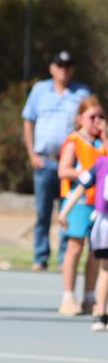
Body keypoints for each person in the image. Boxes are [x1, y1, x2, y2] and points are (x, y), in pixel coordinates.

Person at [22, 50, 91, 271]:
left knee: (67, 210)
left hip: (70, 165)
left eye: (68, 66)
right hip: (44, 160)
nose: (64, 70)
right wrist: (32, 153)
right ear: (52, 68)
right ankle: (40, 256)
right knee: (43, 212)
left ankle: (65, 258)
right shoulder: (40, 90)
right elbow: (28, 121)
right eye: (60, 65)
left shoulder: (81, 93)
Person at [56, 97, 105, 315]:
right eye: (92, 117)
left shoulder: (101, 143)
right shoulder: (74, 140)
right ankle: (68, 296)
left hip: (98, 205)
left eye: (101, 116)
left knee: (96, 253)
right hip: (78, 201)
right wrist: (88, 175)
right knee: (75, 247)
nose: (97, 121)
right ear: (80, 119)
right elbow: (63, 170)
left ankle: (90, 296)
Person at [59, 151, 108, 331]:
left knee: (105, 268)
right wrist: (65, 211)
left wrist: (65, 211)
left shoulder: (101, 163)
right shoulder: (102, 163)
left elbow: (81, 185)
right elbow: (82, 185)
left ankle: (101, 314)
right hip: (105, 221)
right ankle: (101, 312)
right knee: (105, 268)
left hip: (104, 222)